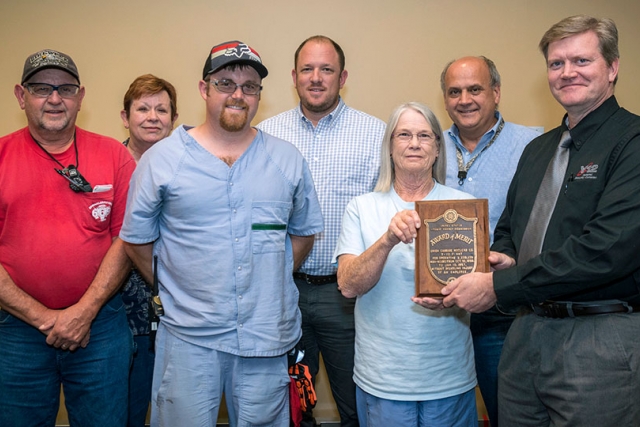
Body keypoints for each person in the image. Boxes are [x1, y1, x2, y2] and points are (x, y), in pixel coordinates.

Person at [441, 15, 640, 426]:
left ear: (612, 67)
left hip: (599, 336)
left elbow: (605, 250)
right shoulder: (538, 149)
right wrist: (503, 259)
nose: (567, 73)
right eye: (556, 64)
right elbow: (510, 229)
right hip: (525, 332)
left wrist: (498, 285)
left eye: (581, 61)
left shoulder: (631, 143)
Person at [119, 40, 323, 427]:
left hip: (266, 337)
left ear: (259, 95)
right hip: (189, 339)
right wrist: (172, 284)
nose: (238, 94)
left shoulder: (286, 160)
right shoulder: (163, 160)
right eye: (226, 82)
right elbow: (136, 241)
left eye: (249, 86)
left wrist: (270, 276)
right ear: (204, 89)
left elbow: (302, 234)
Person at [0, 49, 135, 426]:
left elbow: (125, 242)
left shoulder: (113, 155)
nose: (55, 98)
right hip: (16, 331)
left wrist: (85, 311)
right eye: (42, 88)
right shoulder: (1, 155)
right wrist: (42, 317)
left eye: (66, 89)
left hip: (101, 326)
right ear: (20, 95)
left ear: (81, 96)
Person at [257, 35, 385, 427]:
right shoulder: (264, 135)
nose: (316, 78)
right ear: (294, 77)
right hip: (284, 292)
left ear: (342, 77)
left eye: (326, 69)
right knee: (292, 406)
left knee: (357, 405)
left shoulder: (376, 135)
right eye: (308, 69)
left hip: (345, 296)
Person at [333, 102, 478, 427]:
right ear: (389, 146)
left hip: (448, 377)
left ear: (437, 149)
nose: (415, 143)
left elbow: (483, 292)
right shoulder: (362, 207)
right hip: (384, 379)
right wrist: (387, 239)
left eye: (425, 135)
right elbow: (347, 285)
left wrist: (455, 297)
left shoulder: (464, 208)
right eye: (404, 135)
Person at [440, 56, 540, 426]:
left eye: (475, 89)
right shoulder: (429, 144)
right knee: (446, 413)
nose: (464, 99)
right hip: (441, 310)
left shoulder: (533, 144)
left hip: (501, 313)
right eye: (454, 91)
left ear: (495, 93)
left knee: (509, 412)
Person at [120, 74, 179, 426]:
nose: (152, 116)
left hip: (177, 308)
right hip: (119, 312)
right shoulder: (109, 164)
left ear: (173, 118)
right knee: (126, 407)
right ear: (125, 117)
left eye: (162, 109)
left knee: (173, 407)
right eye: (142, 108)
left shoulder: (188, 164)